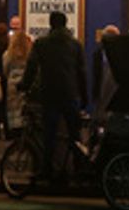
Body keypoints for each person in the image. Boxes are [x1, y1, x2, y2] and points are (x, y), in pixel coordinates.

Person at [20, 10, 87, 181]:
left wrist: (24, 85)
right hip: (71, 94)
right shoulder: (75, 45)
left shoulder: (41, 44)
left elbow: (31, 67)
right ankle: (79, 168)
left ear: (51, 24)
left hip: (49, 94)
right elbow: (81, 73)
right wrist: (84, 97)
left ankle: (47, 169)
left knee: (49, 134)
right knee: (74, 134)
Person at [2, 29, 34, 136]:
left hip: (12, 83)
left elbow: (5, 69)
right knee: (24, 107)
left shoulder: (8, 54)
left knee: (13, 108)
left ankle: (14, 129)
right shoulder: (30, 54)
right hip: (26, 81)